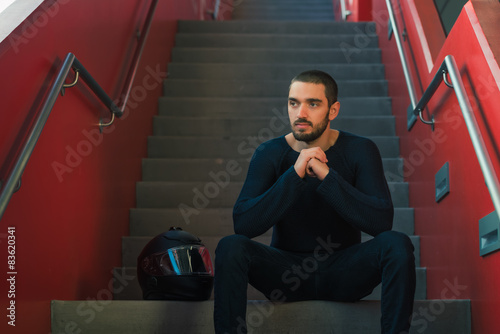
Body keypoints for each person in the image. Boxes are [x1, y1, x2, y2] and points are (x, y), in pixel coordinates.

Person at [213, 70, 416, 334]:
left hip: (344, 272)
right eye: (293, 102)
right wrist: (295, 174)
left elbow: (380, 223)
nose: (301, 113)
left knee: (397, 244)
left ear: (333, 110)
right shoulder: (269, 153)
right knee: (231, 246)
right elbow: (244, 225)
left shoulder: (360, 149)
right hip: (286, 274)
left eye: (313, 103)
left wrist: (326, 176)